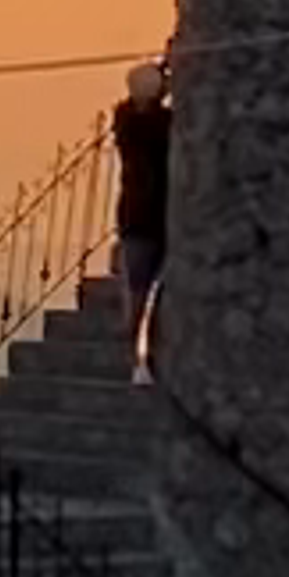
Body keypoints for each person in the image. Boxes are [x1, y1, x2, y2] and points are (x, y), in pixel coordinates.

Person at [111, 55, 174, 375]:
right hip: (154, 216)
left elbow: (132, 104)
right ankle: (140, 355)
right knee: (145, 291)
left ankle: (135, 354)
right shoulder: (159, 126)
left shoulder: (125, 121)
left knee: (136, 289)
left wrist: (158, 74)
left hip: (133, 215)